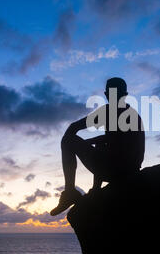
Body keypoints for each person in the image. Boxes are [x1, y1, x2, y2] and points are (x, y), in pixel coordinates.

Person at [50, 77, 145, 216]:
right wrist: (91, 142)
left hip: (117, 170)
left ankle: (70, 191)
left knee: (68, 141)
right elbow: (114, 139)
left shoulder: (111, 112)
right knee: (100, 145)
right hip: (128, 170)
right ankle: (93, 189)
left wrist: (88, 142)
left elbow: (73, 128)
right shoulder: (130, 114)